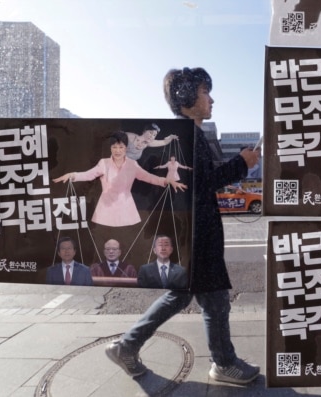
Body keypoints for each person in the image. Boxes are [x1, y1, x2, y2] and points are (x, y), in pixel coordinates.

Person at [104, 67, 261, 385]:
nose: (212, 99)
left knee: (183, 294)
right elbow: (201, 183)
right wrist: (241, 163)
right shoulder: (186, 136)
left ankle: (127, 346)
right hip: (197, 233)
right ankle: (223, 363)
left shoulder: (191, 134)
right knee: (213, 299)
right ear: (188, 98)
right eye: (205, 92)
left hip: (193, 231)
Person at [53, 131, 186, 227]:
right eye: (114, 147)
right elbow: (88, 174)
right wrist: (72, 175)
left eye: (121, 147)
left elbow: (149, 177)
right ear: (110, 148)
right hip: (105, 211)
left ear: (126, 148)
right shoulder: (103, 163)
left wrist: (166, 180)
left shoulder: (132, 164)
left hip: (126, 210)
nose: (117, 150)